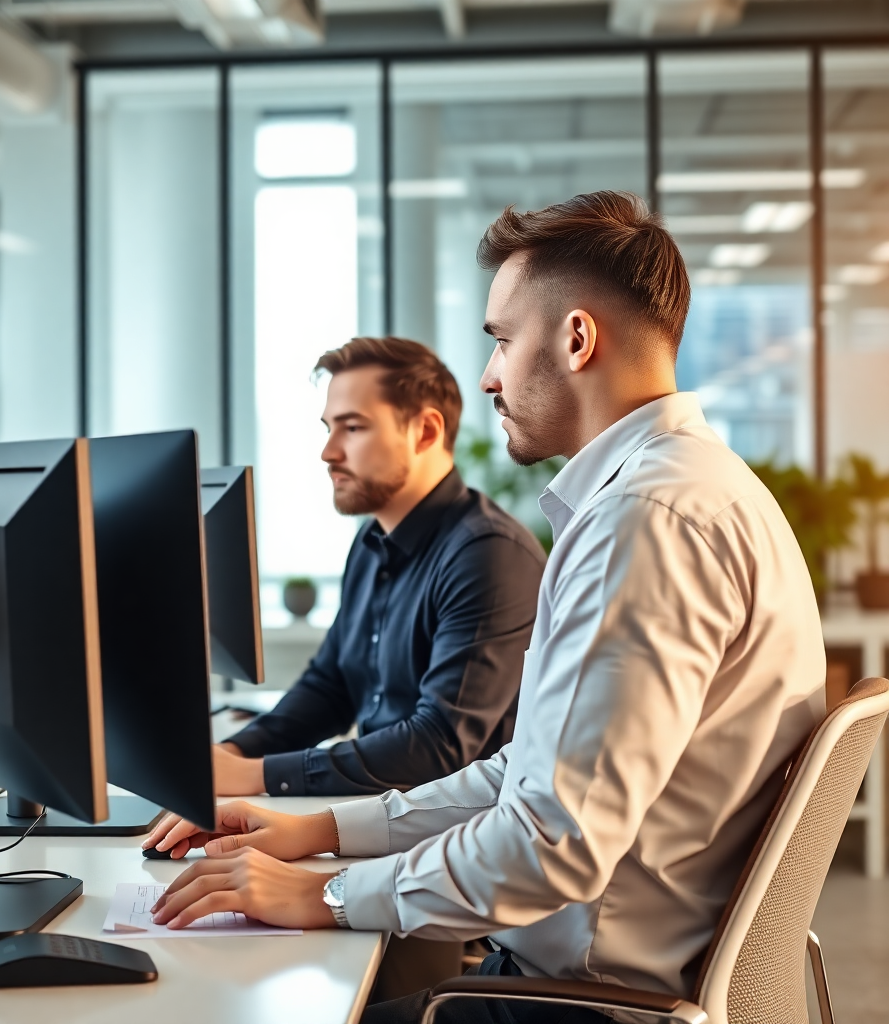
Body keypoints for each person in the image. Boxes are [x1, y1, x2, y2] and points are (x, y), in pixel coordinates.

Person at [143, 192, 825, 1024]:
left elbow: (552, 843)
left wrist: (322, 895)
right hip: (573, 975)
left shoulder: (647, 522)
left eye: (502, 339)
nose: (491, 376)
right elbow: (524, 778)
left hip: (583, 1002)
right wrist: (317, 830)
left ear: (577, 339)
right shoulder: (676, 494)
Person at [147, 336, 545, 828]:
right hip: (379, 816)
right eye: (328, 428)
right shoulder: (372, 541)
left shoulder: (488, 554)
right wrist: (228, 755)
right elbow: (330, 686)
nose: (328, 452)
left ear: (425, 431)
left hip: (448, 835)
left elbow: (439, 745)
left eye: (352, 428)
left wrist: (257, 775)